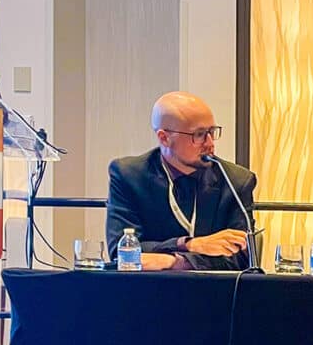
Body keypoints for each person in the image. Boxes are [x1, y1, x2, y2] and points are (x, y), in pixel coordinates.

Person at [106, 91, 257, 271]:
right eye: (199, 134)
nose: (209, 143)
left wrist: (175, 262)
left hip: (213, 293)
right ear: (164, 138)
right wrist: (187, 245)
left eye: (212, 132)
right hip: (148, 291)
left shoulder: (236, 181)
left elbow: (243, 259)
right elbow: (122, 252)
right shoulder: (129, 176)